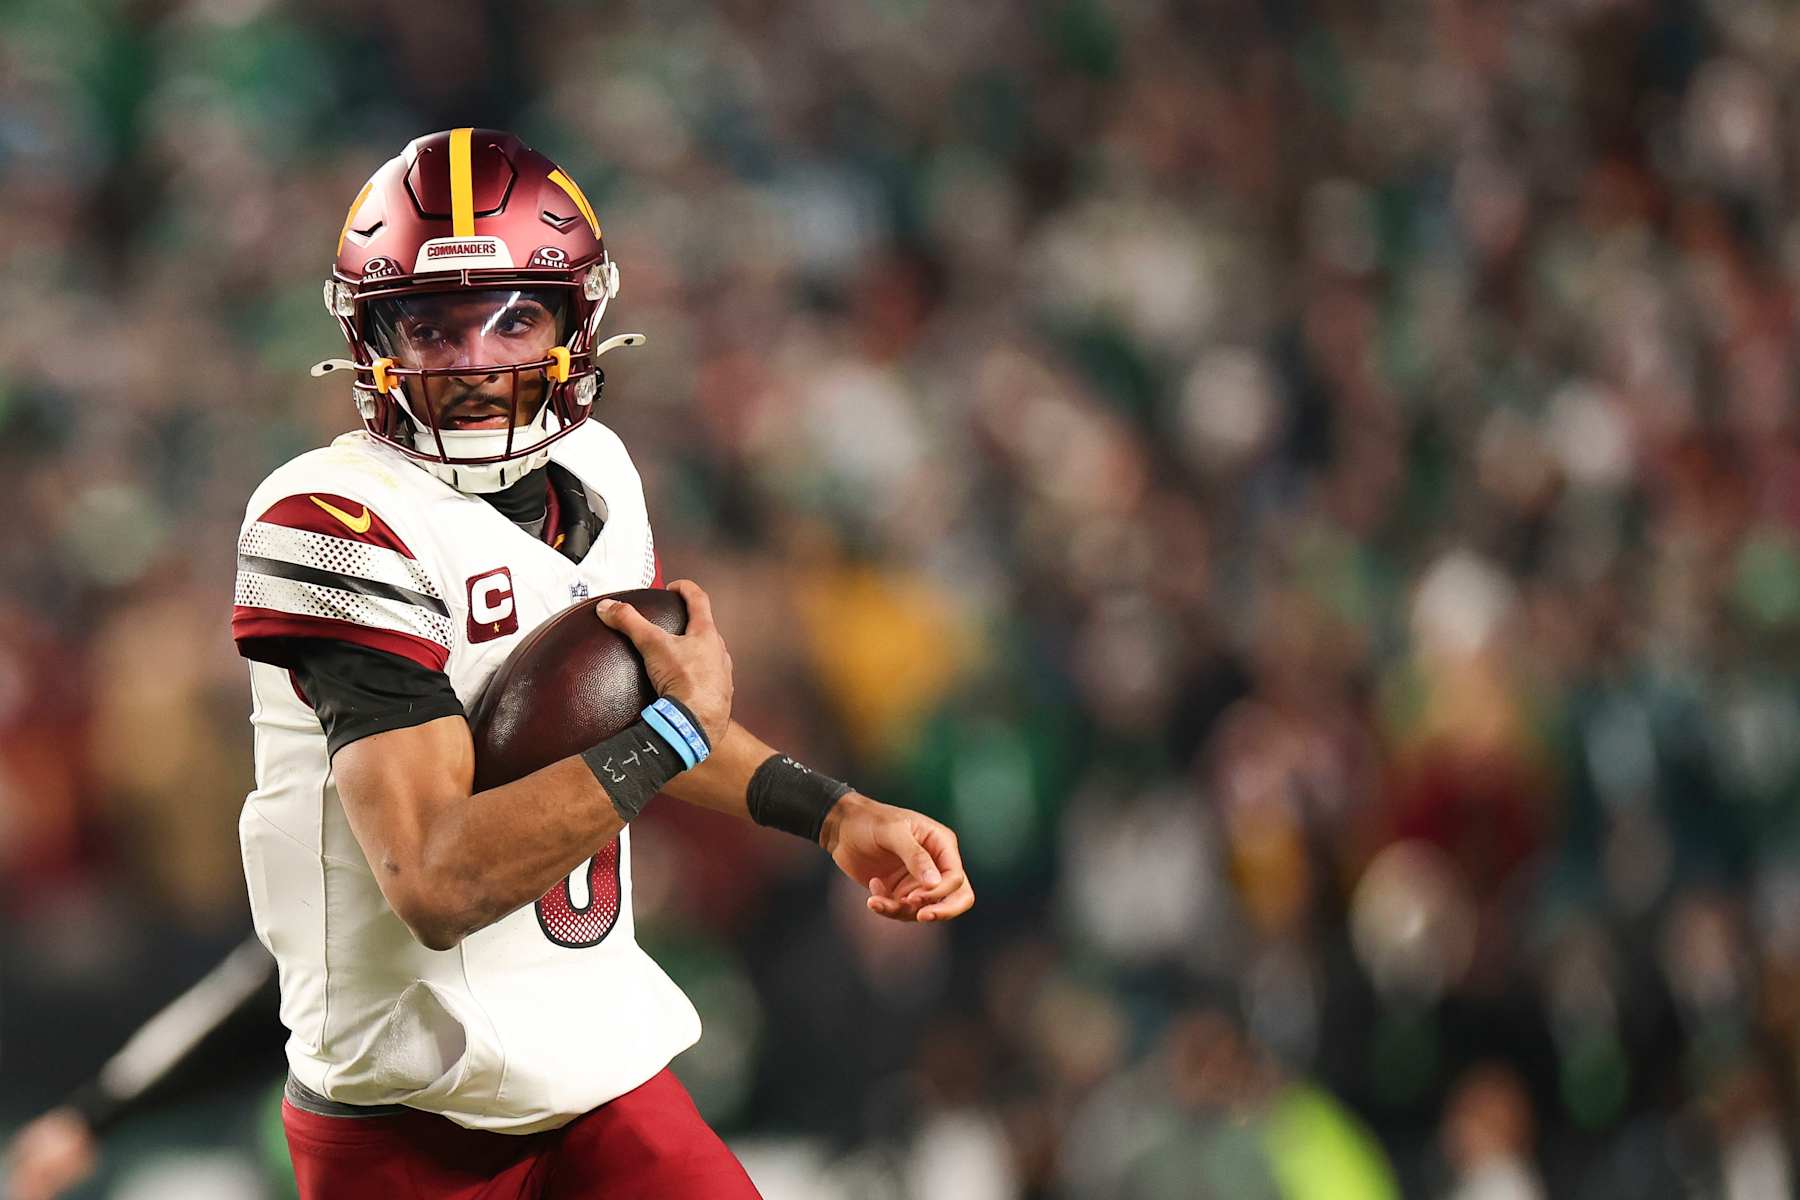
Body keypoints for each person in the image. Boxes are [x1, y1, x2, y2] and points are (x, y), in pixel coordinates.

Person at [231, 128, 975, 1199]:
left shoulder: (599, 471)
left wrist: (833, 812)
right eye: (432, 329)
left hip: (596, 1074)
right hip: (410, 1122)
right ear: (371, 337)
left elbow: (643, 716)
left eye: (515, 318)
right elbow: (439, 879)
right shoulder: (331, 519)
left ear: (579, 320)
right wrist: (670, 736)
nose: (478, 365)